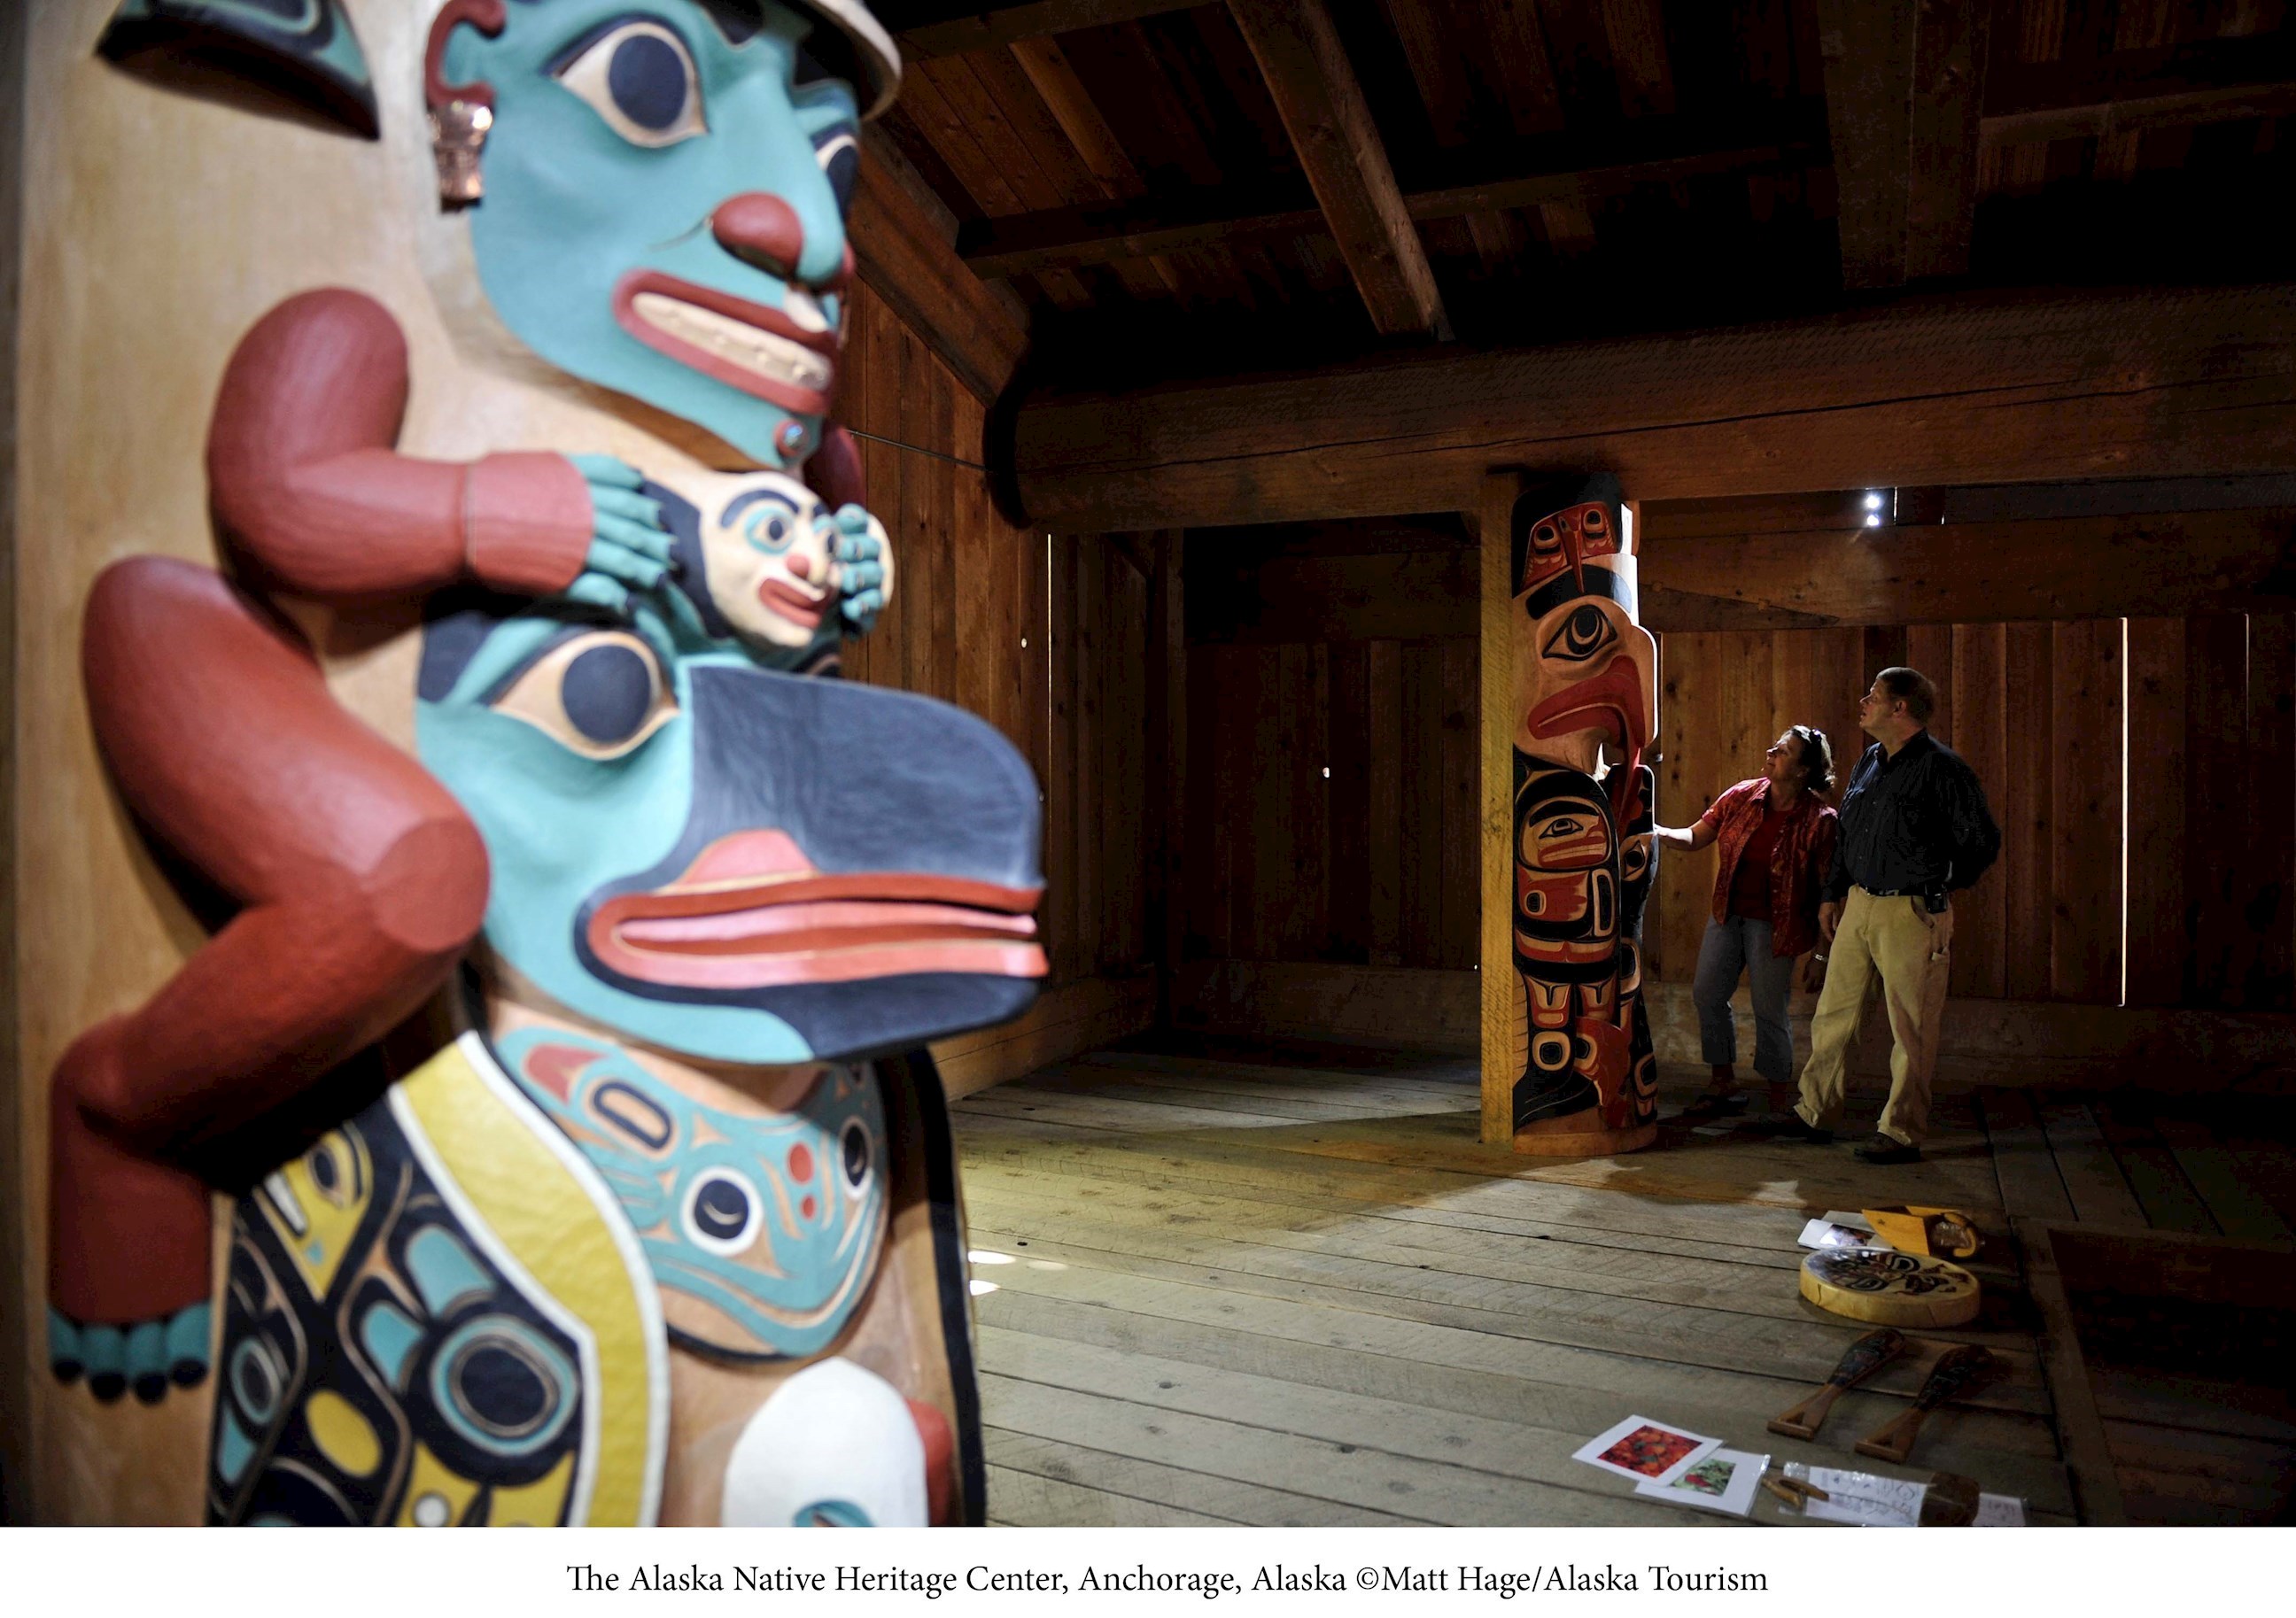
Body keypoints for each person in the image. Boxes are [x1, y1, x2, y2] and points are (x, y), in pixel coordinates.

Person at [1779, 668, 2001, 1165]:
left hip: (1912, 908)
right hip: (1859, 903)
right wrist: (1833, 894)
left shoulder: (1944, 770)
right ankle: (1815, 1111)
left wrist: (1937, 886)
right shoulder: (1868, 764)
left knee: (1912, 1023)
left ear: (1900, 708)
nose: (1863, 702)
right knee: (1835, 1014)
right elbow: (1847, 836)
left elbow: (1982, 842)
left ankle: (1900, 1130)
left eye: (1873, 696)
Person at [1656, 726, 1838, 1124]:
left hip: (1776, 928)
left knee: (1769, 1009)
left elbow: (1829, 893)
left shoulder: (1820, 821)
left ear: (1805, 770)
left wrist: (1822, 954)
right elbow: (1694, 836)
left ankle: (1778, 1097)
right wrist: (1654, 832)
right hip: (1727, 916)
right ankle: (1722, 1083)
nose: (1772, 751)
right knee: (1707, 994)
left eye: (1785, 750)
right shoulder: (1742, 796)